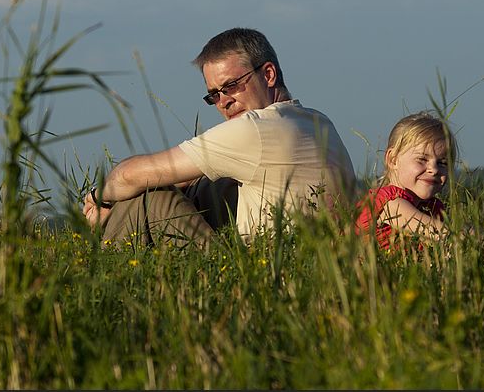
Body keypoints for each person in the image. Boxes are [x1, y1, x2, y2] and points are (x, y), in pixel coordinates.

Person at [83, 28, 356, 247]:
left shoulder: (254, 129)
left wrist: (100, 199)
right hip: (313, 260)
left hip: (259, 274)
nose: (224, 101)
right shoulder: (317, 121)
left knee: (147, 197)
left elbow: (129, 176)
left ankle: (107, 280)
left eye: (231, 86)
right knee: (206, 184)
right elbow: (186, 176)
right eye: (214, 95)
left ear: (268, 74)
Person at [354, 112, 454, 251]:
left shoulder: (432, 207)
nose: (434, 169)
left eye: (442, 163)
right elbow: (444, 234)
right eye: (422, 160)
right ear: (393, 160)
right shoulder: (388, 202)